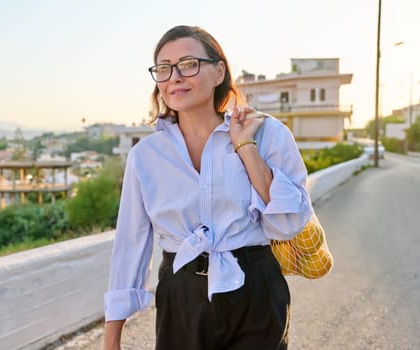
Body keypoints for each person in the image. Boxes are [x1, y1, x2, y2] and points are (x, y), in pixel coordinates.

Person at [103, 25, 313, 350]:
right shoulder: (145, 157)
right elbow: (131, 244)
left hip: (255, 286)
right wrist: (112, 337)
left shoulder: (268, 133)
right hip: (181, 295)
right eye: (164, 68)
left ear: (219, 72)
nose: (175, 76)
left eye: (189, 64)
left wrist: (247, 148)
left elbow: (287, 223)